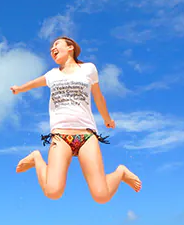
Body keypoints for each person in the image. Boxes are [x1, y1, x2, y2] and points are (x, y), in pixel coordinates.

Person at [10, 36, 141, 203]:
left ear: (70, 47)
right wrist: (19, 89)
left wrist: (107, 119)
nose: (52, 49)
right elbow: (34, 83)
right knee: (53, 192)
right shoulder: (52, 75)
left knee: (101, 196)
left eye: (56, 44)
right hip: (60, 136)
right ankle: (36, 158)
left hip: (87, 135)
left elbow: (98, 96)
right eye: (51, 48)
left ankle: (120, 172)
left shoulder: (88, 69)